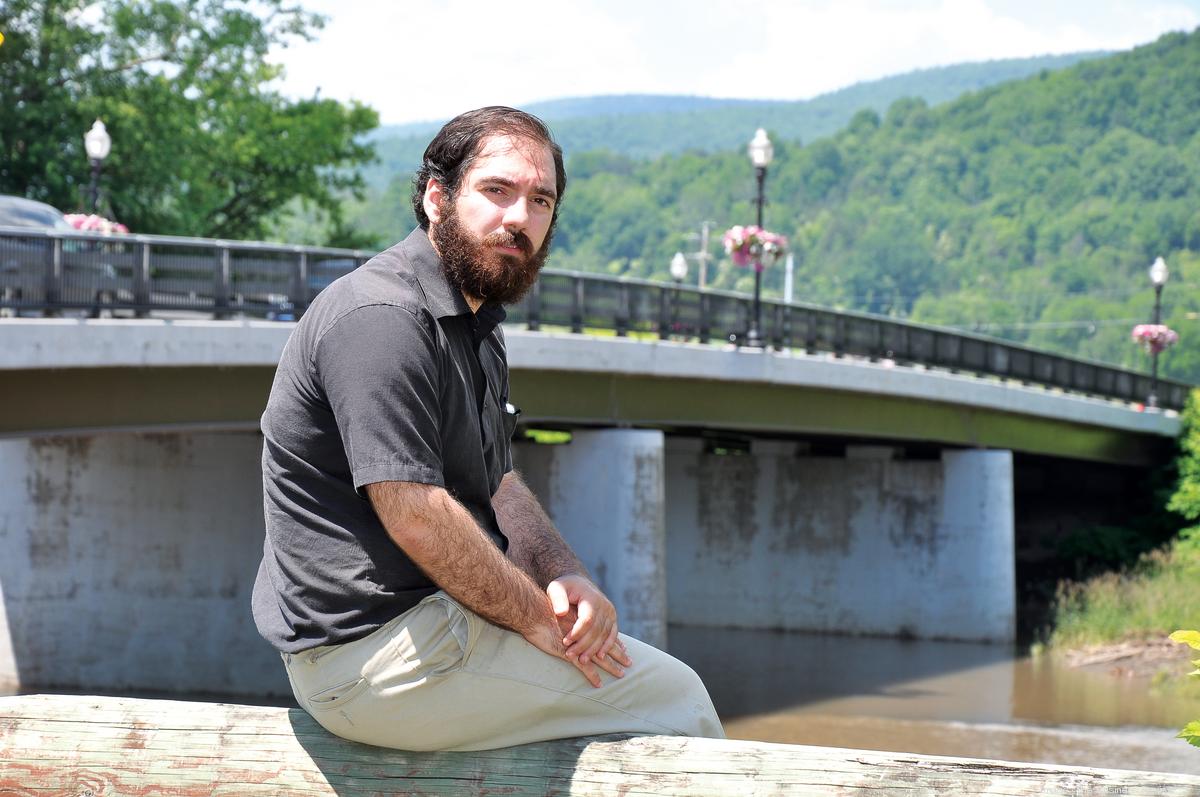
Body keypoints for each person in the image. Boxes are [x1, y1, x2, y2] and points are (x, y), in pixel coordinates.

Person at [251, 106, 723, 751]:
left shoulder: (473, 324)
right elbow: (415, 513)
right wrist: (538, 623)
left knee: (618, 703)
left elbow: (495, 483)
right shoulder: (382, 317)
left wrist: (565, 576)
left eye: (540, 200)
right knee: (676, 701)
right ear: (437, 198)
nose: (519, 218)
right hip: (370, 658)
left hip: (432, 628)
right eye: (496, 191)